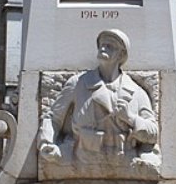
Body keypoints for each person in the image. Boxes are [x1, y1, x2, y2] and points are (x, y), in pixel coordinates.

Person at [38, 29, 159, 172]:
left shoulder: (137, 92)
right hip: (83, 162)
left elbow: (153, 133)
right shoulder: (78, 83)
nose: (103, 48)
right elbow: (53, 117)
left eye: (109, 46)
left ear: (121, 54)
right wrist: (46, 143)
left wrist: (130, 118)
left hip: (125, 164)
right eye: (101, 45)